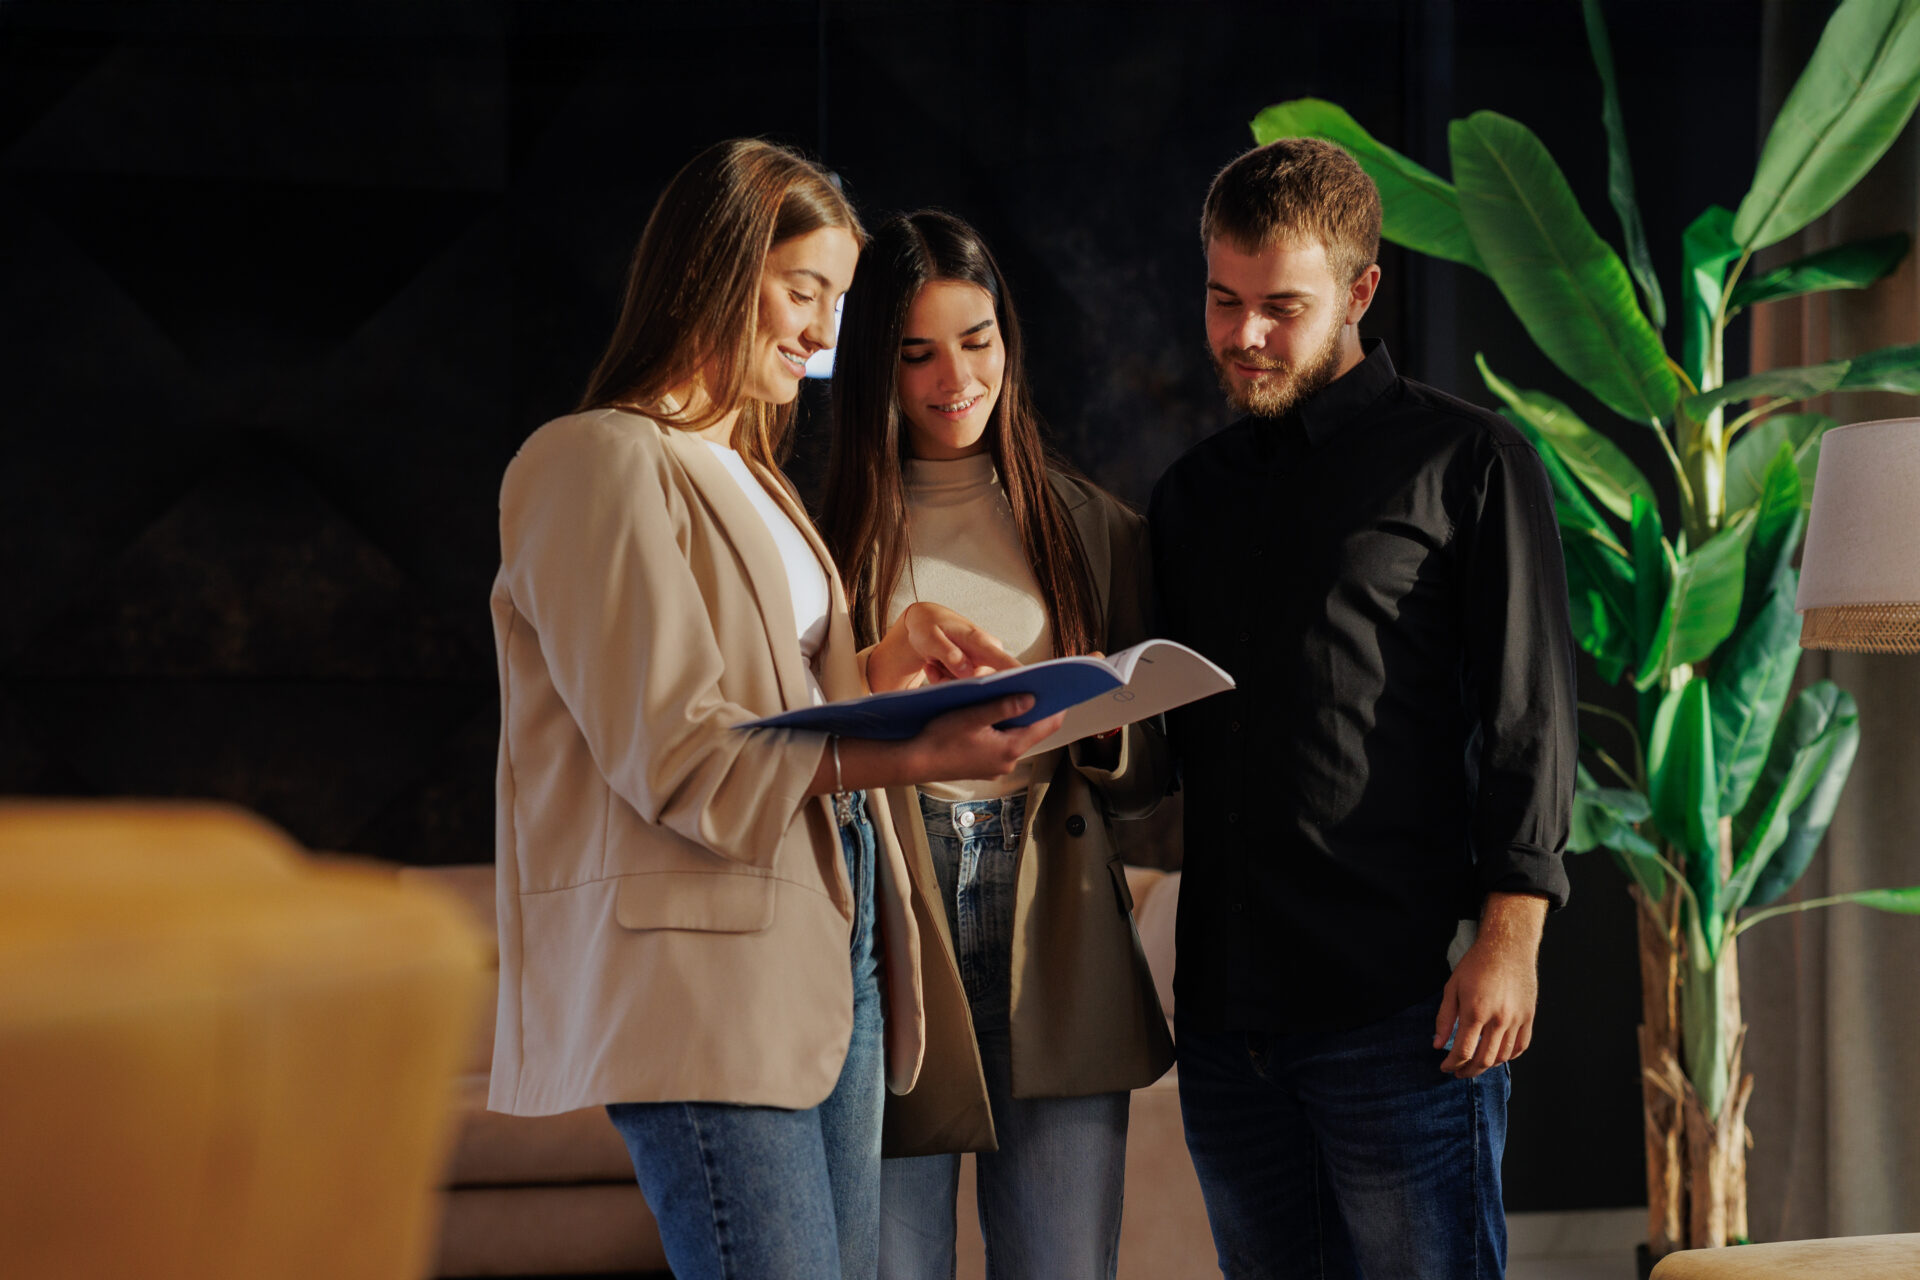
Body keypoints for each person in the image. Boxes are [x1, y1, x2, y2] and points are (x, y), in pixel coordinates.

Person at [486, 139, 1065, 1280]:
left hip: (830, 928)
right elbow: (678, 752)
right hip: (705, 969)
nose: (823, 333)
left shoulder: (754, 476)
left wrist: (880, 667)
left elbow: (771, 700)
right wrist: (914, 757)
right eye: (805, 291)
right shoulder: (594, 460)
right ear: (716, 267)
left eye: (837, 302)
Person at [1148, 137, 1577, 1279]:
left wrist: (1511, 941)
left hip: (1401, 1011)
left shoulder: (1469, 460)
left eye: (1281, 307)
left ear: (1361, 290)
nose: (1245, 334)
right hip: (1226, 1025)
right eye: (1223, 300)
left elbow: (1531, 716)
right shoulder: (1188, 497)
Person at [820, 209, 1173, 1279]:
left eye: (976, 341)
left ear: (1008, 340)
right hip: (894, 919)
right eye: (916, 353)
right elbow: (790, 740)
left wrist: (1097, 729)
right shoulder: (821, 534)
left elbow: (1152, 786)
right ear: (876, 365)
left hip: (1052, 916)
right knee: (891, 1265)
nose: (954, 378)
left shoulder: (1091, 526)